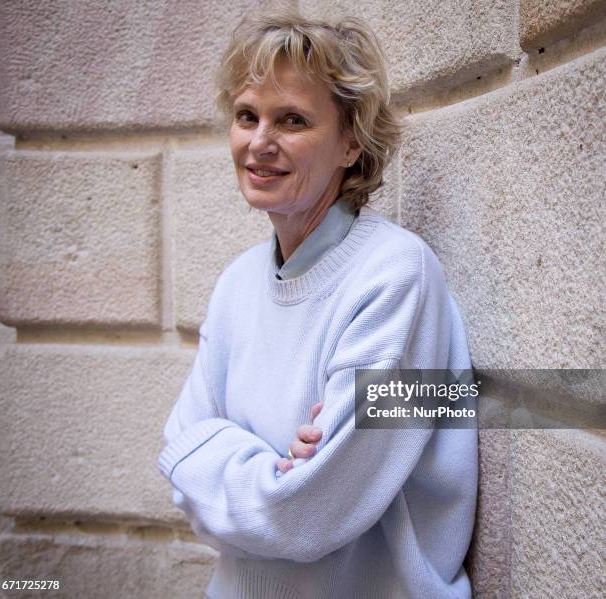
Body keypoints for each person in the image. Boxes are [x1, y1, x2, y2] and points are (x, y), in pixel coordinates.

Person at [158, 9, 478, 599]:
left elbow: (305, 513)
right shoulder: (236, 283)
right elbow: (177, 449)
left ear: (351, 142)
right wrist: (261, 461)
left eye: (292, 120)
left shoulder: (393, 277)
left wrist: (215, 451)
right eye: (247, 115)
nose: (259, 142)